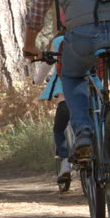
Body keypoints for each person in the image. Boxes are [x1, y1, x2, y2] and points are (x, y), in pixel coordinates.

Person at [23, 0, 110, 162]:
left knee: (73, 75)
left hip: (82, 36)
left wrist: (29, 45)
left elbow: (37, 12)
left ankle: (83, 130)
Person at [35, 36, 73, 183]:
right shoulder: (95, 33)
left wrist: (37, 80)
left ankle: (65, 163)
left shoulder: (60, 41)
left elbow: (46, 65)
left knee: (59, 129)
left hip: (66, 100)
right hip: (93, 95)